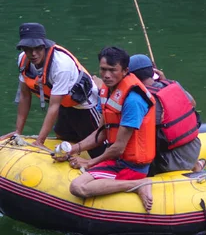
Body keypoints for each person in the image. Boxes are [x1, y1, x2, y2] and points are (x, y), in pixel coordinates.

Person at [58, 47, 156, 213]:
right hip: (117, 161)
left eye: (113, 70)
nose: (107, 75)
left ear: (125, 71)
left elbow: (118, 148)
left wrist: (90, 162)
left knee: (77, 187)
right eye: (103, 70)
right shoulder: (107, 91)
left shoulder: (133, 100)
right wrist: (71, 150)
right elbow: (102, 133)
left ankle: (139, 183)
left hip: (131, 167)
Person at [9, 23, 104, 157]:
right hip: (64, 103)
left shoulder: (60, 65)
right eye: (28, 49)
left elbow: (54, 106)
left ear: (44, 45)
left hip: (85, 105)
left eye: (37, 48)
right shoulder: (23, 61)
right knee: (62, 134)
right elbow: (25, 97)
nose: (33, 53)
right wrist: (17, 132)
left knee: (98, 148)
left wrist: (40, 141)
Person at [128, 54, 204, 174]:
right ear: (153, 71)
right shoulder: (173, 85)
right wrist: (164, 81)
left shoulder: (142, 99)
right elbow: (192, 103)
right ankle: (196, 165)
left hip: (169, 161)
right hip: (194, 148)